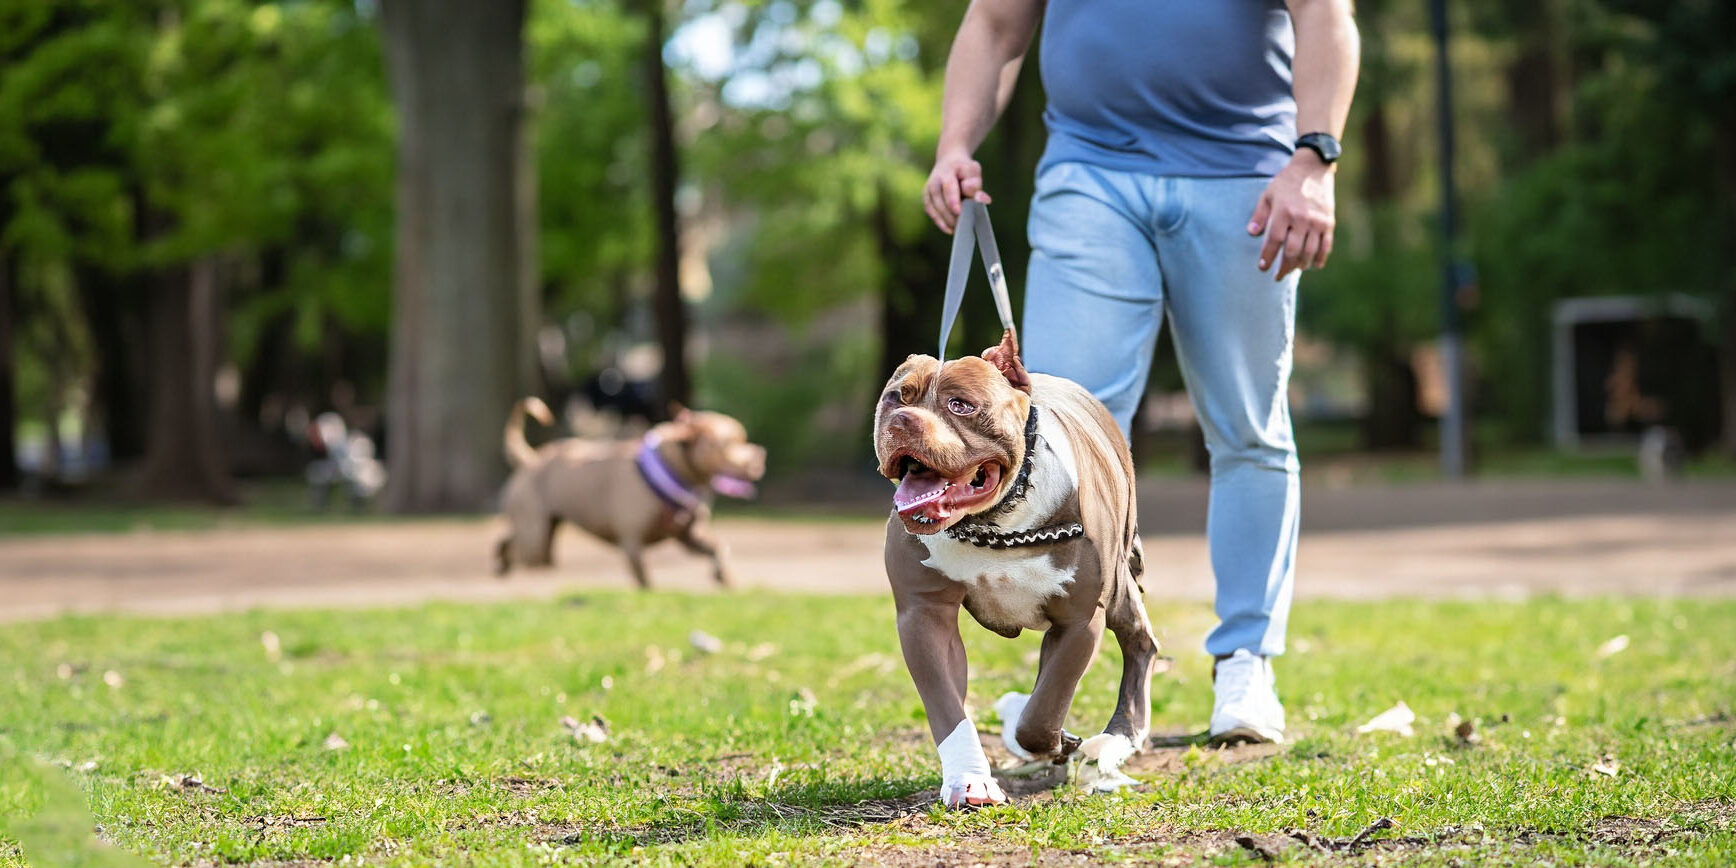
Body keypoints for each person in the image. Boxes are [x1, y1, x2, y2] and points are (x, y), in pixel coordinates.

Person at [923, 0, 1359, 745]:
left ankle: (1246, 662)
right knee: (1059, 434)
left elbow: (1325, 15)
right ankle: (1072, 666)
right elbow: (995, 23)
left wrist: (1314, 158)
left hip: (1247, 179)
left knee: (1248, 427)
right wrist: (954, 144)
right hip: (1089, 174)